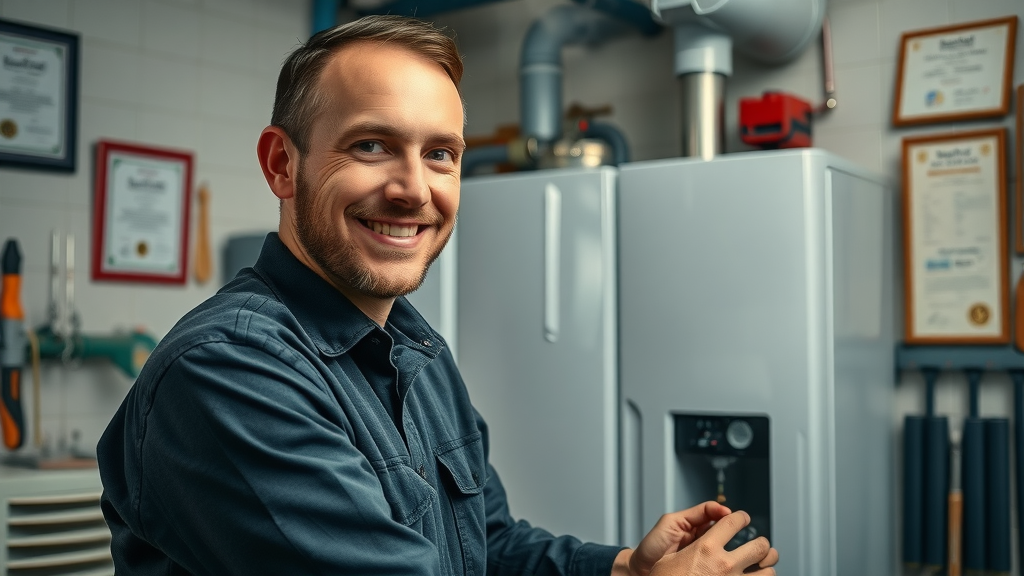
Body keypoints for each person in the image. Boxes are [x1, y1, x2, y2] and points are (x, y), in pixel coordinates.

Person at [97, 14, 778, 576]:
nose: (414, 189)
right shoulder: (229, 371)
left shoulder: (414, 349)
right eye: (371, 145)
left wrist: (626, 567)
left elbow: (488, 543)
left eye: (441, 154)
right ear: (283, 163)